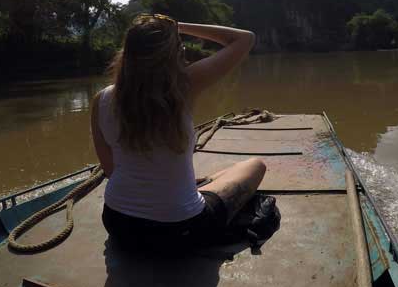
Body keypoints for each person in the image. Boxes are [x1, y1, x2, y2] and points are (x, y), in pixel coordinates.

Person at [90, 14, 266, 252]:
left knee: (215, 178)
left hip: (119, 224)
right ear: (173, 54)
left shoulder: (101, 100)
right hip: (181, 230)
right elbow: (244, 39)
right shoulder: (183, 86)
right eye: (179, 47)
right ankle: (198, 189)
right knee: (255, 166)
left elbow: (111, 170)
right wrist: (179, 26)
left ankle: (196, 187)